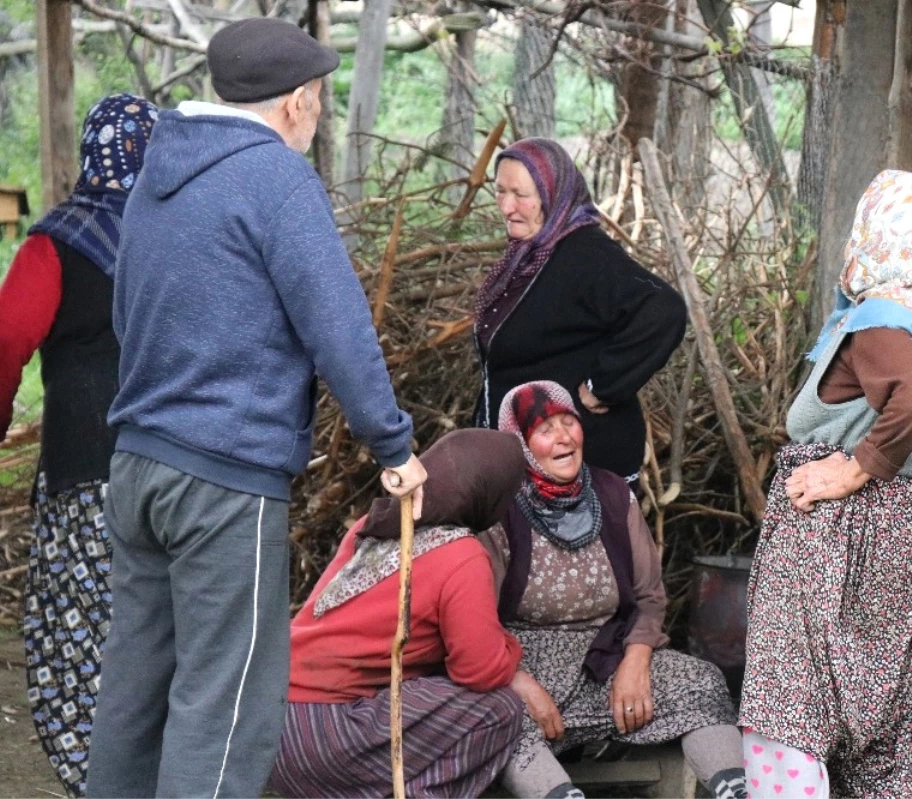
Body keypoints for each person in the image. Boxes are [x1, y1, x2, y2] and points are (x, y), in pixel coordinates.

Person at [86, 19, 426, 799]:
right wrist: (393, 446)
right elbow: (336, 324)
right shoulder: (275, 179)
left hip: (137, 464)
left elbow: (124, 315)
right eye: (320, 101)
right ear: (299, 101)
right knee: (226, 704)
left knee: (133, 692)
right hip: (223, 482)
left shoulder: (153, 174)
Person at [738, 170, 912, 798]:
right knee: (889, 735)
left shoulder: (881, 320)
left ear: (872, 237)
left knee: (792, 707)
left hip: (834, 545)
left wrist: (854, 469)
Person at [479, 380, 747, 799]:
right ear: (521, 442)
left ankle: (739, 791)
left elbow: (649, 596)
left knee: (702, 682)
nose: (564, 437)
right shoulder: (498, 508)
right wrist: (518, 681)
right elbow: (474, 621)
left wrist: (636, 661)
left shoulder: (612, 493)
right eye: (546, 430)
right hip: (526, 665)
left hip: (608, 656)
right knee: (493, 717)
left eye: (569, 422)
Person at [0, 94, 157, 797]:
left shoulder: (60, 240)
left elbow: (7, 336)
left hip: (88, 466)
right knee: (165, 627)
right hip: (183, 467)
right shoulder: (181, 235)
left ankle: (100, 776)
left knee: (86, 628)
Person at [270, 429, 527, 798]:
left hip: (271, 727)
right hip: (327, 737)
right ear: (490, 492)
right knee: (500, 709)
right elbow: (480, 670)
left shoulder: (374, 525)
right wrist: (512, 649)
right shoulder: (462, 555)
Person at [473, 137, 688, 482]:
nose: (506, 206)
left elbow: (664, 309)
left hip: (579, 469)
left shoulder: (585, 255)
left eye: (521, 195)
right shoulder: (533, 255)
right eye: (500, 191)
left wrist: (602, 385)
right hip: (531, 461)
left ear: (554, 194)